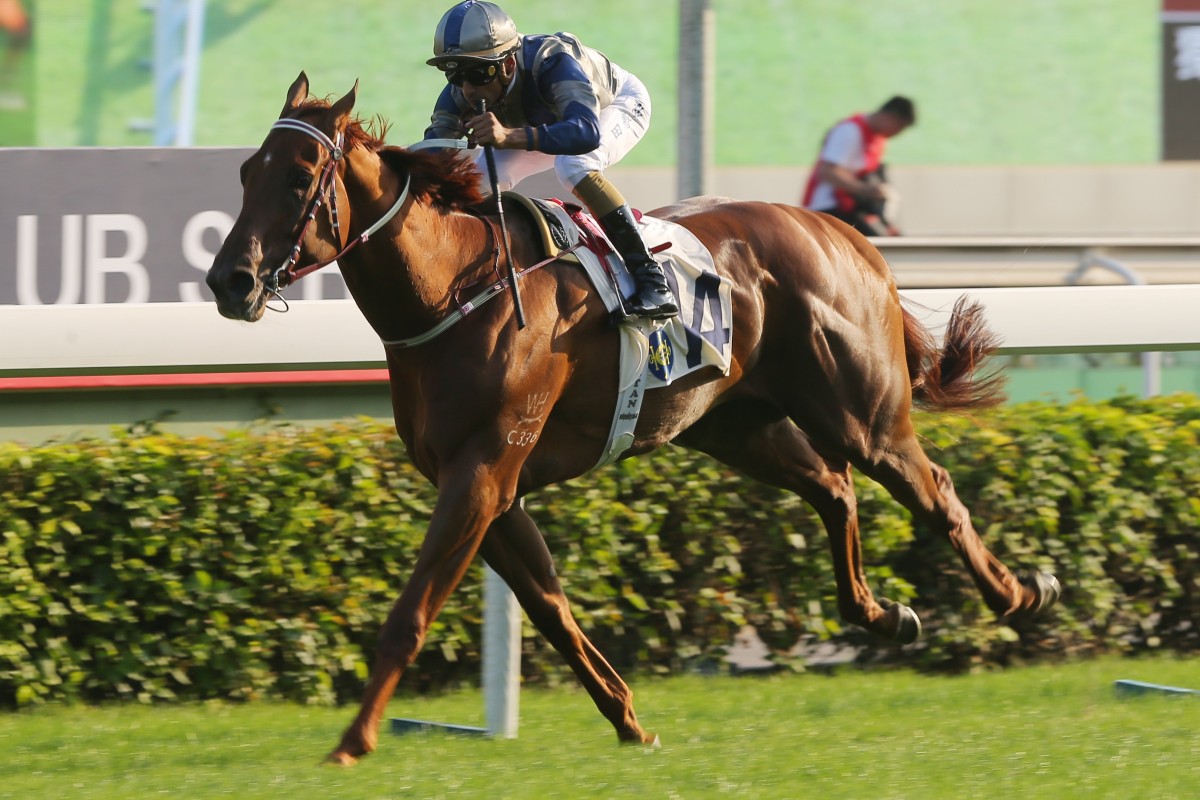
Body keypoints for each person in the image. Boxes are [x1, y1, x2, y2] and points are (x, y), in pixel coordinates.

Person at [423, 0, 678, 320]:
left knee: (574, 165)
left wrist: (508, 137)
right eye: (454, 74)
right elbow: (432, 153)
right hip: (544, 125)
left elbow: (584, 133)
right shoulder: (461, 91)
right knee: (478, 176)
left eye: (476, 73)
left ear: (507, 65)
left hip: (613, 107)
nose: (467, 88)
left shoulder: (552, 61)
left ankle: (652, 280)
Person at [801, 95, 916, 236]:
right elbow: (827, 171)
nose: (897, 134)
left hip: (852, 208)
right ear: (890, 117)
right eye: (899, 128)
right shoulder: (849, 130)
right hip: (828, 207)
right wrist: (865, 189)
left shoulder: (877, 138)